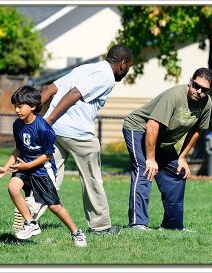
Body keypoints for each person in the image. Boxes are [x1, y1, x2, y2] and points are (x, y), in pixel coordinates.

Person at [13, 44, 133, 235]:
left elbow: (51, 88)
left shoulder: (84, 68)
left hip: (54, 130)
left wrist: (37, 116)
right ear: (123, 64)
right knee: (92, 179)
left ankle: (27, 213)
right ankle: (100, 227)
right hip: (77, 133)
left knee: (47, 176)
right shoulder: (106, 77)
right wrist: (48, 120)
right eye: (128, 68)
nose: (126, 72)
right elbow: (74, 94)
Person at [0, 85, 87, 247]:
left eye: (20, 106)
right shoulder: (17, 125)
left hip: (43, 170)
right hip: (25, 167)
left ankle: (76, 232)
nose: (17, 110)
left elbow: (48, 155)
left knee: (54, 207)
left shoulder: (44, 128)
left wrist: (28, 166)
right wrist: (5, 167)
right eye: (15, 106)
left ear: (33, 107)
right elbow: (19, 149)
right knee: (13, 188)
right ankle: (31, 222)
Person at [122, 67, 212, 231]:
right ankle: (138, 223)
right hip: (139, 129)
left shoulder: (206, 103)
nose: (198, 91)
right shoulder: (173, 97)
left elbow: (197, 130)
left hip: (161, 139)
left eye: (204, 89)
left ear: (209, 91)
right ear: (190, 81)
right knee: (145, 170)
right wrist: (150, 159)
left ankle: (172, 225)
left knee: (178, 172)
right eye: (196, 85)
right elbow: (152, 125)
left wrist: (182, 157)